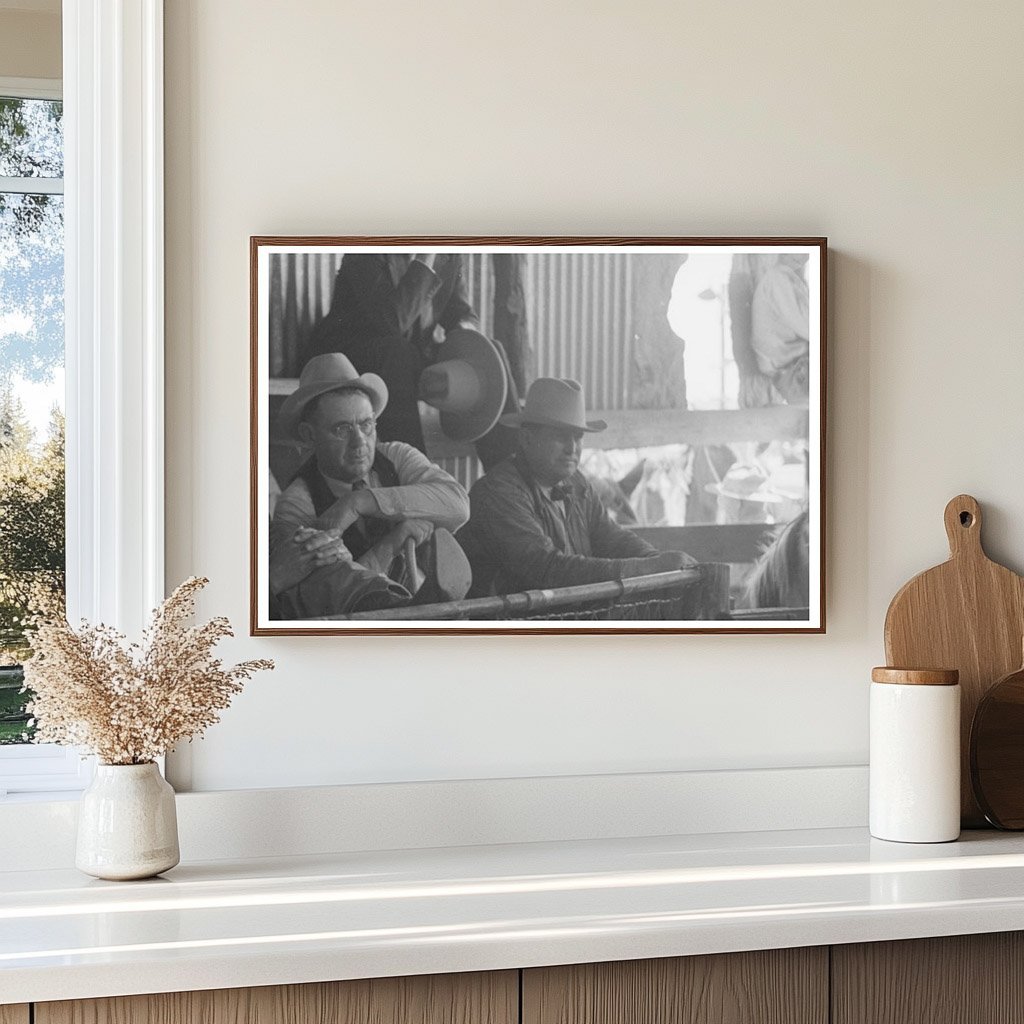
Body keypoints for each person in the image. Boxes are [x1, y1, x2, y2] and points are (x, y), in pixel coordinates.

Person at [270, 353, 471, 618]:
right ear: (309, 435)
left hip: (422, 608)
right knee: (327, 569)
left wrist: (358, 503)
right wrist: (392, 543)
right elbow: (328, 589)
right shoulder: (297, 503)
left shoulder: (396, 456)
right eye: (342, 430)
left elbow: (458, 504)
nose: (360, 443)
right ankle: (406, 610)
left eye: (366, 425)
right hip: (354, 636)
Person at [460, 377, 696, 595]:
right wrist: (648, 569)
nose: (572, 448)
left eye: (577, 437)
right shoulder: (500, 493)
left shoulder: (576, 483)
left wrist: (657, 561)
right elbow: (547, 569)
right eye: (560, 436)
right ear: (527, 439)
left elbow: (612, 537)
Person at [307, 252, 479, 451]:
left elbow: (463, 314)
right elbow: (392, 322)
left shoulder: (448, 256)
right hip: (351, 357)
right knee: (397, 353)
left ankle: (508, 467)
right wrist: (424, 260)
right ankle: (412, 470)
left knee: (491, 352)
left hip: (407, 357)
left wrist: (468, 337)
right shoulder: (365, 254)